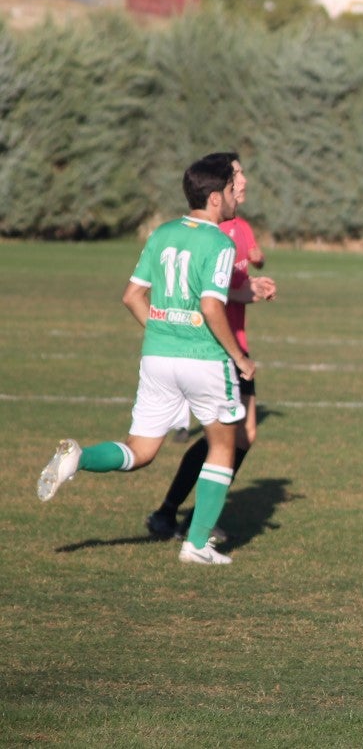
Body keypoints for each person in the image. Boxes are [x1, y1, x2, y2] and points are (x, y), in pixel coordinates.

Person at [36, 154, 256, 566]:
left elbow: (132, 296)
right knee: (224, 445)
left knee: (140, 451)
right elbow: (211, 308)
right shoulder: (220, 242)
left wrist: (162, 331)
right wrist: (239, 356)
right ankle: (197, 544)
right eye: (230, 190)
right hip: (204, 359)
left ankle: (79, 458)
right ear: (214, 198)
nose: (233, 197)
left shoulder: (162, 233)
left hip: (157, 357)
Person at [146, 153, 276, 542]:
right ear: (221, 186)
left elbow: (222, 290)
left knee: (236, 436)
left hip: (229, 340)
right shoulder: (214, 232)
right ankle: (184, 516)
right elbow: (208, 297)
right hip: (217, 347)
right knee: (228, 438)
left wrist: (248, 287)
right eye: (237, 174)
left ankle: (182, 514)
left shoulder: (239, 227)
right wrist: (244, 293)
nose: (244, 180)